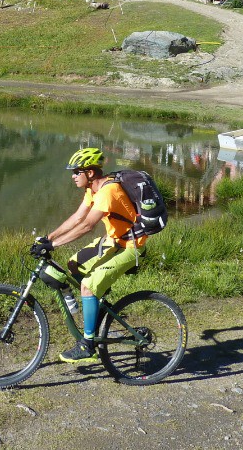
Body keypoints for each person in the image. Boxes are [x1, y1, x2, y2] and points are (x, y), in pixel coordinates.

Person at [30, 147, 147, 363]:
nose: (73, 176)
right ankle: (99, 308)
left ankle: (87, 344)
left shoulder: (107, 192)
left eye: (76, 172)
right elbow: (77, 218)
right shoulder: (92, 190)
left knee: (88, 286)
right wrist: (48, 238)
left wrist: (53, 245)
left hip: (131, 247)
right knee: (73, 265)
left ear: (90, 173)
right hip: (113, 241)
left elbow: (86, 227)